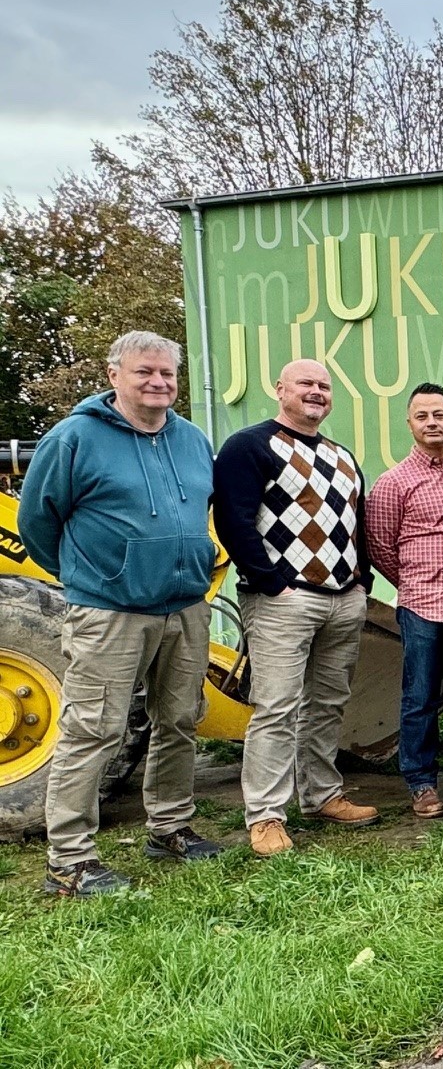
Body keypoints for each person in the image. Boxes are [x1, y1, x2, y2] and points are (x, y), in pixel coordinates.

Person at [19, 331, 222, 896]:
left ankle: (171, 827)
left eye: (168, 374)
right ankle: (70, 861)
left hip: (184, 604)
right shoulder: (74, 438)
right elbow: (39, 521)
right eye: (144, 373)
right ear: (114, 376)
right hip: (109, 611)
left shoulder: (190, 439)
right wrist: (93, 576)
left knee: (180, 719)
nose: (158, 382)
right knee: (95, 730)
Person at [213, 359, 378, 857]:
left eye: (325, 386)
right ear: (279, 389)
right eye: (306, 383)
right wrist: (271, 582)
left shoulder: (341, 455)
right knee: (277, 707)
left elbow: (356, 523)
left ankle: (322, 794)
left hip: (342, 599)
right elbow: (233, 519)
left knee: (327, 705)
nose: (317, 392)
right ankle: (264, 815)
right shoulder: (250, 446)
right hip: (283, 599)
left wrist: (362, 581)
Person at [364, 382, 443, 820]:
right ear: (410, 424)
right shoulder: (393, 483)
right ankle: (421, 782)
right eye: (422, 416)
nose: (432, 423)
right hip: (421, 603)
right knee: (419, 697)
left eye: (439, 414)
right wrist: (417, 580)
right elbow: (380, 546)